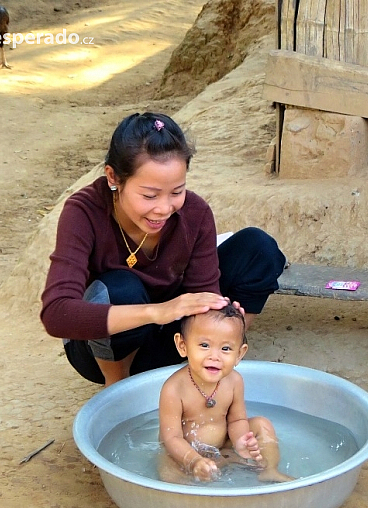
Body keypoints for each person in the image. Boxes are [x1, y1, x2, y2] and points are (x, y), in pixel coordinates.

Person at [40, 112, 286, 387]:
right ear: (113, 177)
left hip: (170, 339)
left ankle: (215, 364)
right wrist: (158, 311)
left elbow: (204, 293)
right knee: (120, 288)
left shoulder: (195, 213)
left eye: (176, 191)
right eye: (149, 195)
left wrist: (220, 315)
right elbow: (56, 314)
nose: (164, 208)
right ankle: (118, 390)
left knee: (258, 248)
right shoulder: (83, 212)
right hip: (101, 348)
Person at [158, 305, 293, 483]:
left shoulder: (234, 381)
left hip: (224, 448)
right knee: (168, 472)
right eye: (204, 345)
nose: (215, 356)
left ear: (239, 354)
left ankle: (268, 469)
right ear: (183, 346)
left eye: (226, 349)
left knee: (262, 424)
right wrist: (194, 461)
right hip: (184, 453)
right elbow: (171, 437)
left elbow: (237, 420)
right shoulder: (174, 389)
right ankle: (192, 489)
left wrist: (241, 441)